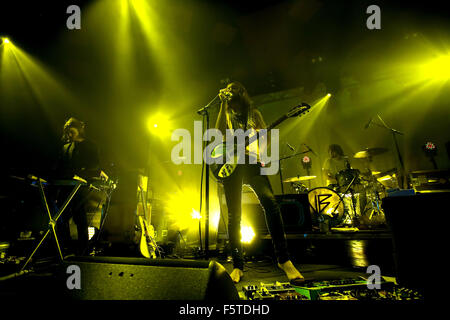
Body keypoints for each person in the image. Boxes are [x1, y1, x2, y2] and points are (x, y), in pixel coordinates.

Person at [215, 81, 304, 284]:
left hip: (253, 163)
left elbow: (265, 139)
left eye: (233, 88)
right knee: (234, 214)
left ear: (242, 92)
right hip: (232, 165)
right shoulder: (226, 113)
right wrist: (221, 104)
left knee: (270, 202)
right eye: (227, 88)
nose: (229, 91)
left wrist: (255, 146)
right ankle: (237, 265)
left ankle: (284, 260)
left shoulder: (254, 114)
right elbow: (219, 133)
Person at [53, 117, 101, 256]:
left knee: (80, 217)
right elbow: (59, 167)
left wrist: (82, 173)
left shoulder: (91, 146)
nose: (69, 133)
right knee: (61, 217)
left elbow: (95, 166)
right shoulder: (65, 147)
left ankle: (83, 249)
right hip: (66, 187)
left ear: (79, 129)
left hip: (81, 187)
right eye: (67, 131)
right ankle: (64, 248)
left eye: (71, 130)